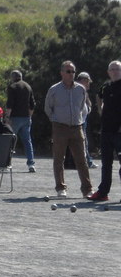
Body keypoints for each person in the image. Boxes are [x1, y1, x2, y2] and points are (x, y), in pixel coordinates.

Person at [44, 60, 92, 198]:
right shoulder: (54, 90)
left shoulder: (80, 89)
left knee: (81, 159)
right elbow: (48, 108)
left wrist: (80, 120)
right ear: (62, 73)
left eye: (73, 72)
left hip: (77, 127)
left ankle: (87, 189)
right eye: (68, 71)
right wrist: (56, 120)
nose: (71, 74)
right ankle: (61, 188)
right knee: (59, 159)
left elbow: (84, 107)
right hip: (60, 127)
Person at [87, 61, 121, 201]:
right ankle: (102, 193)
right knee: (106, 164)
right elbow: (98, 96)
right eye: (112, 69)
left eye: (117, 69)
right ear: (108, 72)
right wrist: (101, 110)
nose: (114, 72)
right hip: (106, 130)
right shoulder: (106, 86)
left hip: (119, 131)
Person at [5, 70, 36, 173]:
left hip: (15, 118)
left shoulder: (12, 87)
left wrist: (7, 117)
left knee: (9, 140)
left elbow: (10, 103)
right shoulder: (28, 86)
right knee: (27, 141)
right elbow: (32, 104)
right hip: (26, 117)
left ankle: (6, 162)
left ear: (13, 77)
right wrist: (29, 116)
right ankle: (31, 164)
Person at [76, 71, 98, 169]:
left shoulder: (84, 92)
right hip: (79, 121)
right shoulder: (77, 91)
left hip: (83, 120)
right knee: (82, 141)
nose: (88, 84)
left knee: (84, 141)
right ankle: (87, 161)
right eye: (87, 81)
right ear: (82, 81)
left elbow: (89, 105)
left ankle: (87, 160)